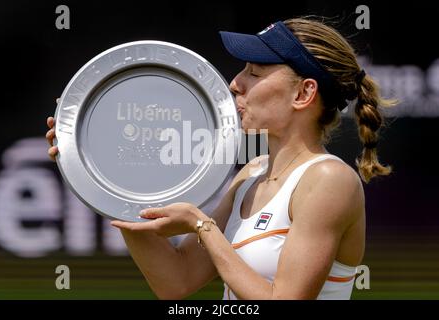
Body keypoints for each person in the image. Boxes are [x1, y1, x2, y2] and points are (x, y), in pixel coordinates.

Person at [46, 17, 394, 299]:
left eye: (255, 73)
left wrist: (202, 226)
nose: (234, 84)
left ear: (303, 93)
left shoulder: (329, 180)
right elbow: (176, 281)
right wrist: (109, 178)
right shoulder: (252, 173)